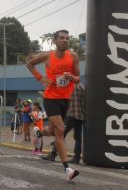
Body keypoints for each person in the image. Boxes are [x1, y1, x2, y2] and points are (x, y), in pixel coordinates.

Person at [26, 29, 80, 181]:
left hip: (66, 99)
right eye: (62, 38)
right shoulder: (47, 56)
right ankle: (67, 169)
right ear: (55, 41)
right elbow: (29, 64)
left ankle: (39, 132)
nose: (65, 40)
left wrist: (72, 77)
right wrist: (40, 78)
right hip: (50, 98)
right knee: (61, 130)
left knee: (54, 131)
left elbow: (78, 79)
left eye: (67, 38)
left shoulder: (73, 56)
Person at [45, 83, 85, 164]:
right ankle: (76, 157)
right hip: (80, 115)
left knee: (60, 135)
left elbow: (64, 102)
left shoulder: (67, 86)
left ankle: (52, 154)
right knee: (78, 137)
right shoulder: (82, 87)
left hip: (70, 114)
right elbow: (84, 102)